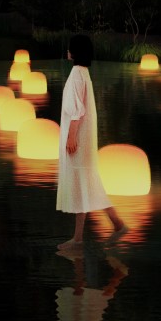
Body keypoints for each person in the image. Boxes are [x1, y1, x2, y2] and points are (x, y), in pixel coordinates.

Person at [57, 34, 127, 249]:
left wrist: (71, 137)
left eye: (70, 48)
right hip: (82, 138)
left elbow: (77, 111)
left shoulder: (77, 74)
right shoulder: (83, 73)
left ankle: (107, 228)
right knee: (87, 185)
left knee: (84, 185)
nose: (67, 50)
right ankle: (102, 229)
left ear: (75, 52)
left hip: (78, 138)